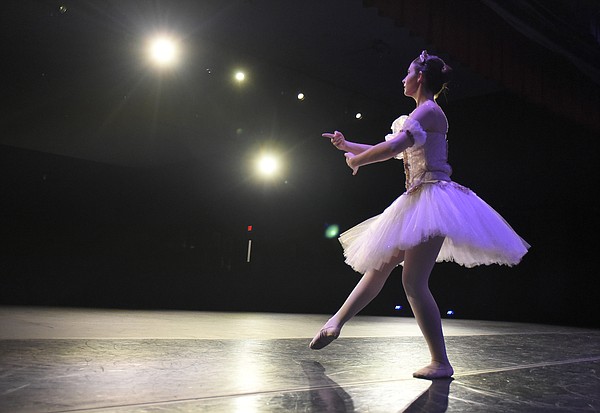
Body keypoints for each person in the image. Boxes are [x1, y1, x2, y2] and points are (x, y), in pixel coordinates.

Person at [310, 50, 530, 380]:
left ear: (420, 78)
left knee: (412, 281)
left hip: (433, 200)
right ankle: (335, 323)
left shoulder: (429, 112)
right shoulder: (417, 117)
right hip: (416, 200)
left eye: (407, 73)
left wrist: (357, 161)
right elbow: (390, 151)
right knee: (379, 266)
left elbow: (391, 149)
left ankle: (440, 361)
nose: (403, 79)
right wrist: (348, 147)